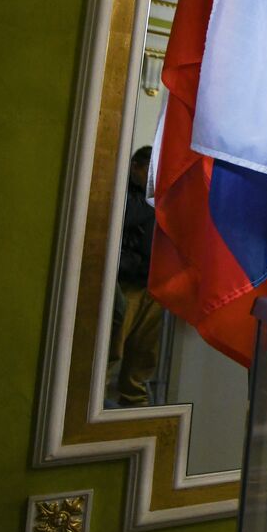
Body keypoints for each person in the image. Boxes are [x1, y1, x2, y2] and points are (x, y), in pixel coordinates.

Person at [110, 145, 164, 406]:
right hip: (127, 282)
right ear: (136, 168)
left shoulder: (159, 197)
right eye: (151, 170)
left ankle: (134, 401)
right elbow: (126, 217)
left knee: (144, 352)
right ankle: (93, 401)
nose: (156, 176)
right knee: (113, 348)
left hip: (154, 284)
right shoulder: (123, 192)